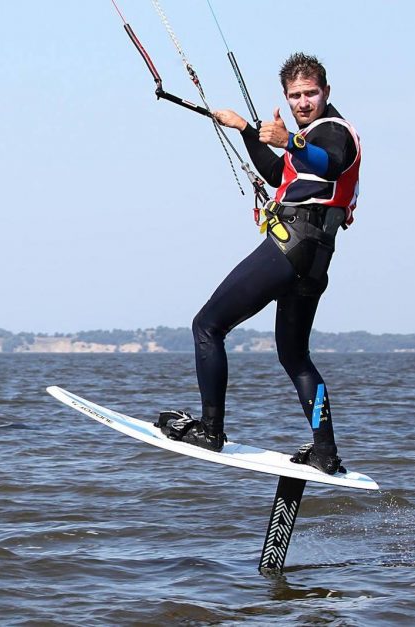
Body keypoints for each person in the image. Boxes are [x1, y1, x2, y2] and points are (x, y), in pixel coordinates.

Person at [155, 53, 361, 475]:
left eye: (310, 93)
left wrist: (290, 140)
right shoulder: (309, 138)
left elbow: (331, 162)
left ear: (327, 92)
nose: (302, 102)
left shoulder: (334, 132)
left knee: (207, 326)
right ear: (286, 98)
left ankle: (211, 429)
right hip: (317, 259)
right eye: (294, 96)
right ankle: (325, 451)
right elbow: (275, 173)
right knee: (295, 356)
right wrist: (246, 129)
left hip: (292, 246)